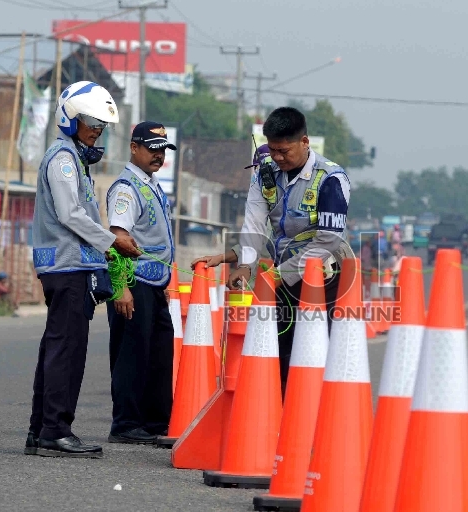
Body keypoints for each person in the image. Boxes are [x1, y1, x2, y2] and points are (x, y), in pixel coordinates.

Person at [193, 107, 352, 398]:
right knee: (279, 348)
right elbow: (254, 224)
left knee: (316, 351)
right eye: (273, 150)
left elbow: (329, 239)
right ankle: (277, 420)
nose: (277, 158)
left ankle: (314, 424)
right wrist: (246, 265)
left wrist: (281, 274)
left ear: (305, 142)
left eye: (284, 151)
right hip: (282, 277)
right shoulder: (265, 175)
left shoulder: (331, 179)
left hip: (323, 277)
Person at [25, 80, 141, 459]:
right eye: (92, 121)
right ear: (71, 119)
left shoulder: (75, 158)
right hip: (65, 266)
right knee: (66, 350)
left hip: (72, 265)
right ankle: (55, 431)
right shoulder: (62, 159)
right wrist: (112, 241)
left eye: (102, 125)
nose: (97, 130)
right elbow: (70, 214)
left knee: (57, 348)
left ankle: (40, 430)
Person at [104, 122, 176, 445]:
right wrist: (120, 286)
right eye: (151, 148)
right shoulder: (126, 188)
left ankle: (157, 421)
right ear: (134, 148)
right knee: (131, 352)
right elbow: (118, 238)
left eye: (162, 149)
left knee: (159, 350)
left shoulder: (151, 185)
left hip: (154, 283)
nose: (158, 155)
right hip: (133, 281)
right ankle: (127, 422)